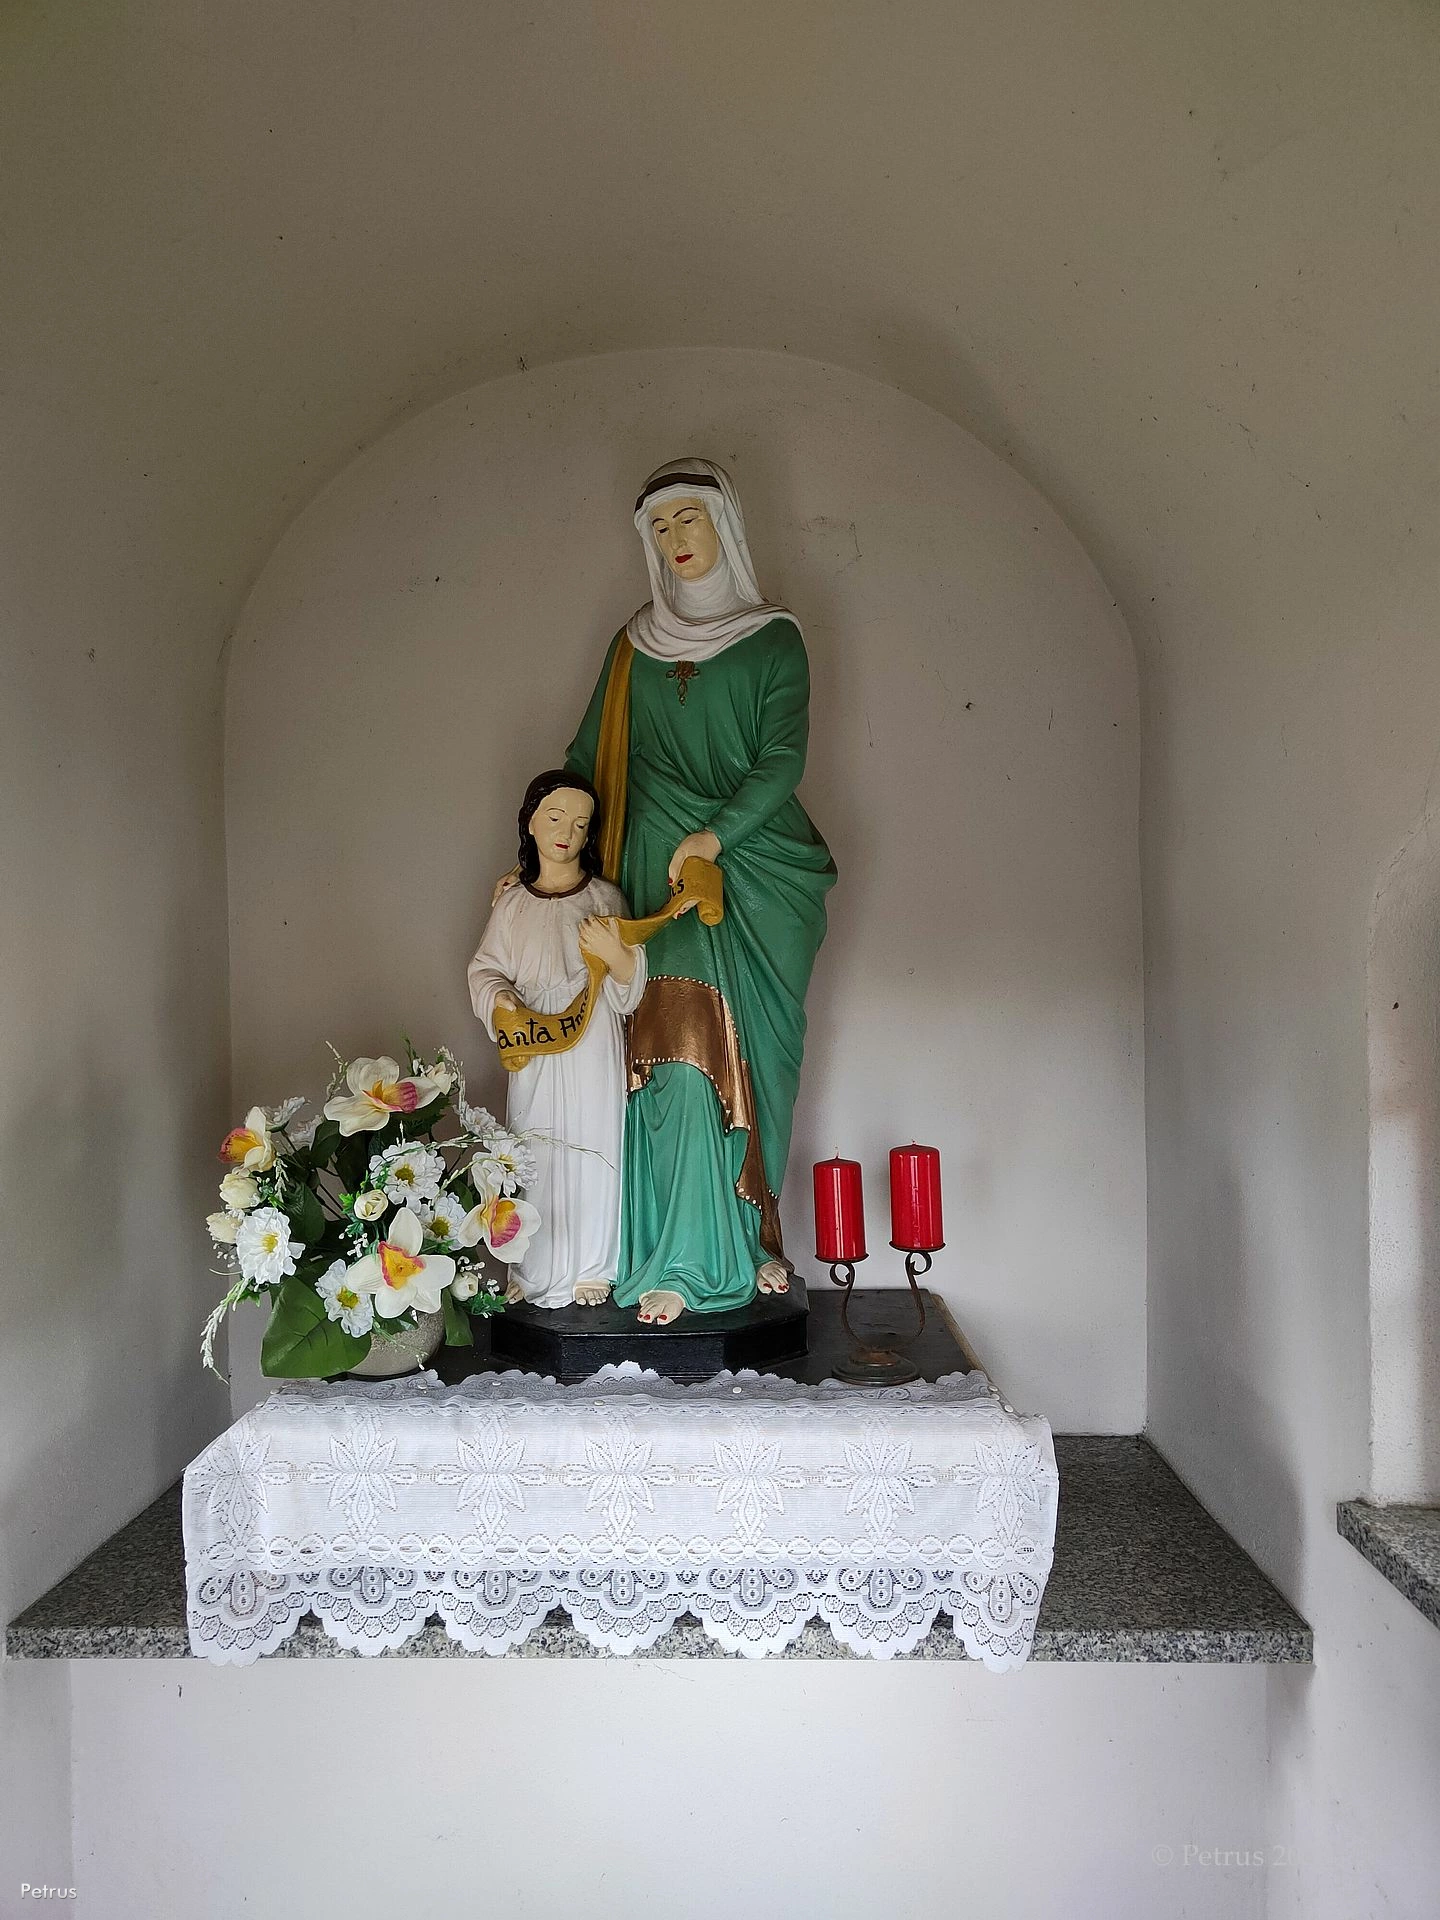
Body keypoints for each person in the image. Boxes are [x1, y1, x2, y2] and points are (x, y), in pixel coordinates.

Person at [564, 458, 836, 1325]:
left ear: (725, 524)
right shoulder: (632, 648)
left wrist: (715, 837)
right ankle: (679, 1256)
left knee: (761, 1062)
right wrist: (541, 864)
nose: (674, 539)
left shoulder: (774, 638)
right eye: (659, 527)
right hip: (657, 876)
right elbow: (585, 762)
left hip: (755, 877)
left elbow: (782, 759)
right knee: (672, 1052)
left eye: (688, 518)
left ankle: (749, 1238)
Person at [467, 771, 646, 1308]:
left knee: (596, 1144)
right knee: (533, 1148)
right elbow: (485, 969)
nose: (567, 832)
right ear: (529, 823)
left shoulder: (604, 898)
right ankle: (531, 1268)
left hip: (592, 1036)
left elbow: (632, 987)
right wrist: (500, 998)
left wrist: (617, 958)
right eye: (554, 817)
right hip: (535, 1040)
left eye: (580, 823)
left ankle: (594, 1264)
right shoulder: (512, 905)